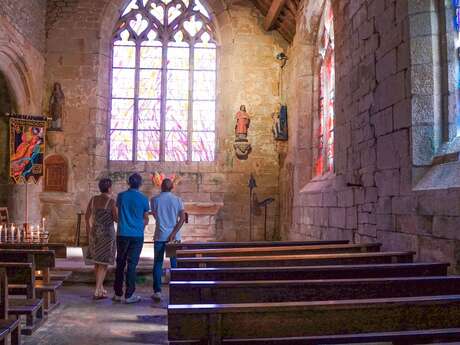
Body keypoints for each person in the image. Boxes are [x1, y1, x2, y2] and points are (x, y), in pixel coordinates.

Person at [113, 173, 150, 304]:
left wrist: (124, 221)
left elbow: (117, 213)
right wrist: (141, 223)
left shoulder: (121, 196)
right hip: (136, 235)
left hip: (122, 233)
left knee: (120, 263)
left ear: (128, 183)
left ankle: (117, 293)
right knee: (132, 265)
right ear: (140, 184)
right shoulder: (144, 198)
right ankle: (129, 295)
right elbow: (146, 218)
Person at [151, 178, 186, 301]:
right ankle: (176, 288)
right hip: (173, 237)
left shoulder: (154, 200)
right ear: (172, 187)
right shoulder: (177, 200)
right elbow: (182, 218)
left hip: (160, 235)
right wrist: (173, 232)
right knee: (174, 262)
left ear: (161, 187)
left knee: (158, 263)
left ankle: (157, 292)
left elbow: (155, 215)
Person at [84, 178, 118, 299]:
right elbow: (116, 219)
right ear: (109, 188)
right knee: (103, 264)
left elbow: (86, 216)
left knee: (97, 262)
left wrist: (88, 229)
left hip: (94, 233)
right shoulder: (111, 201)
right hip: (107, 235)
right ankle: (97, 290)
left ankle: (101, 288)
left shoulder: (93, 200)